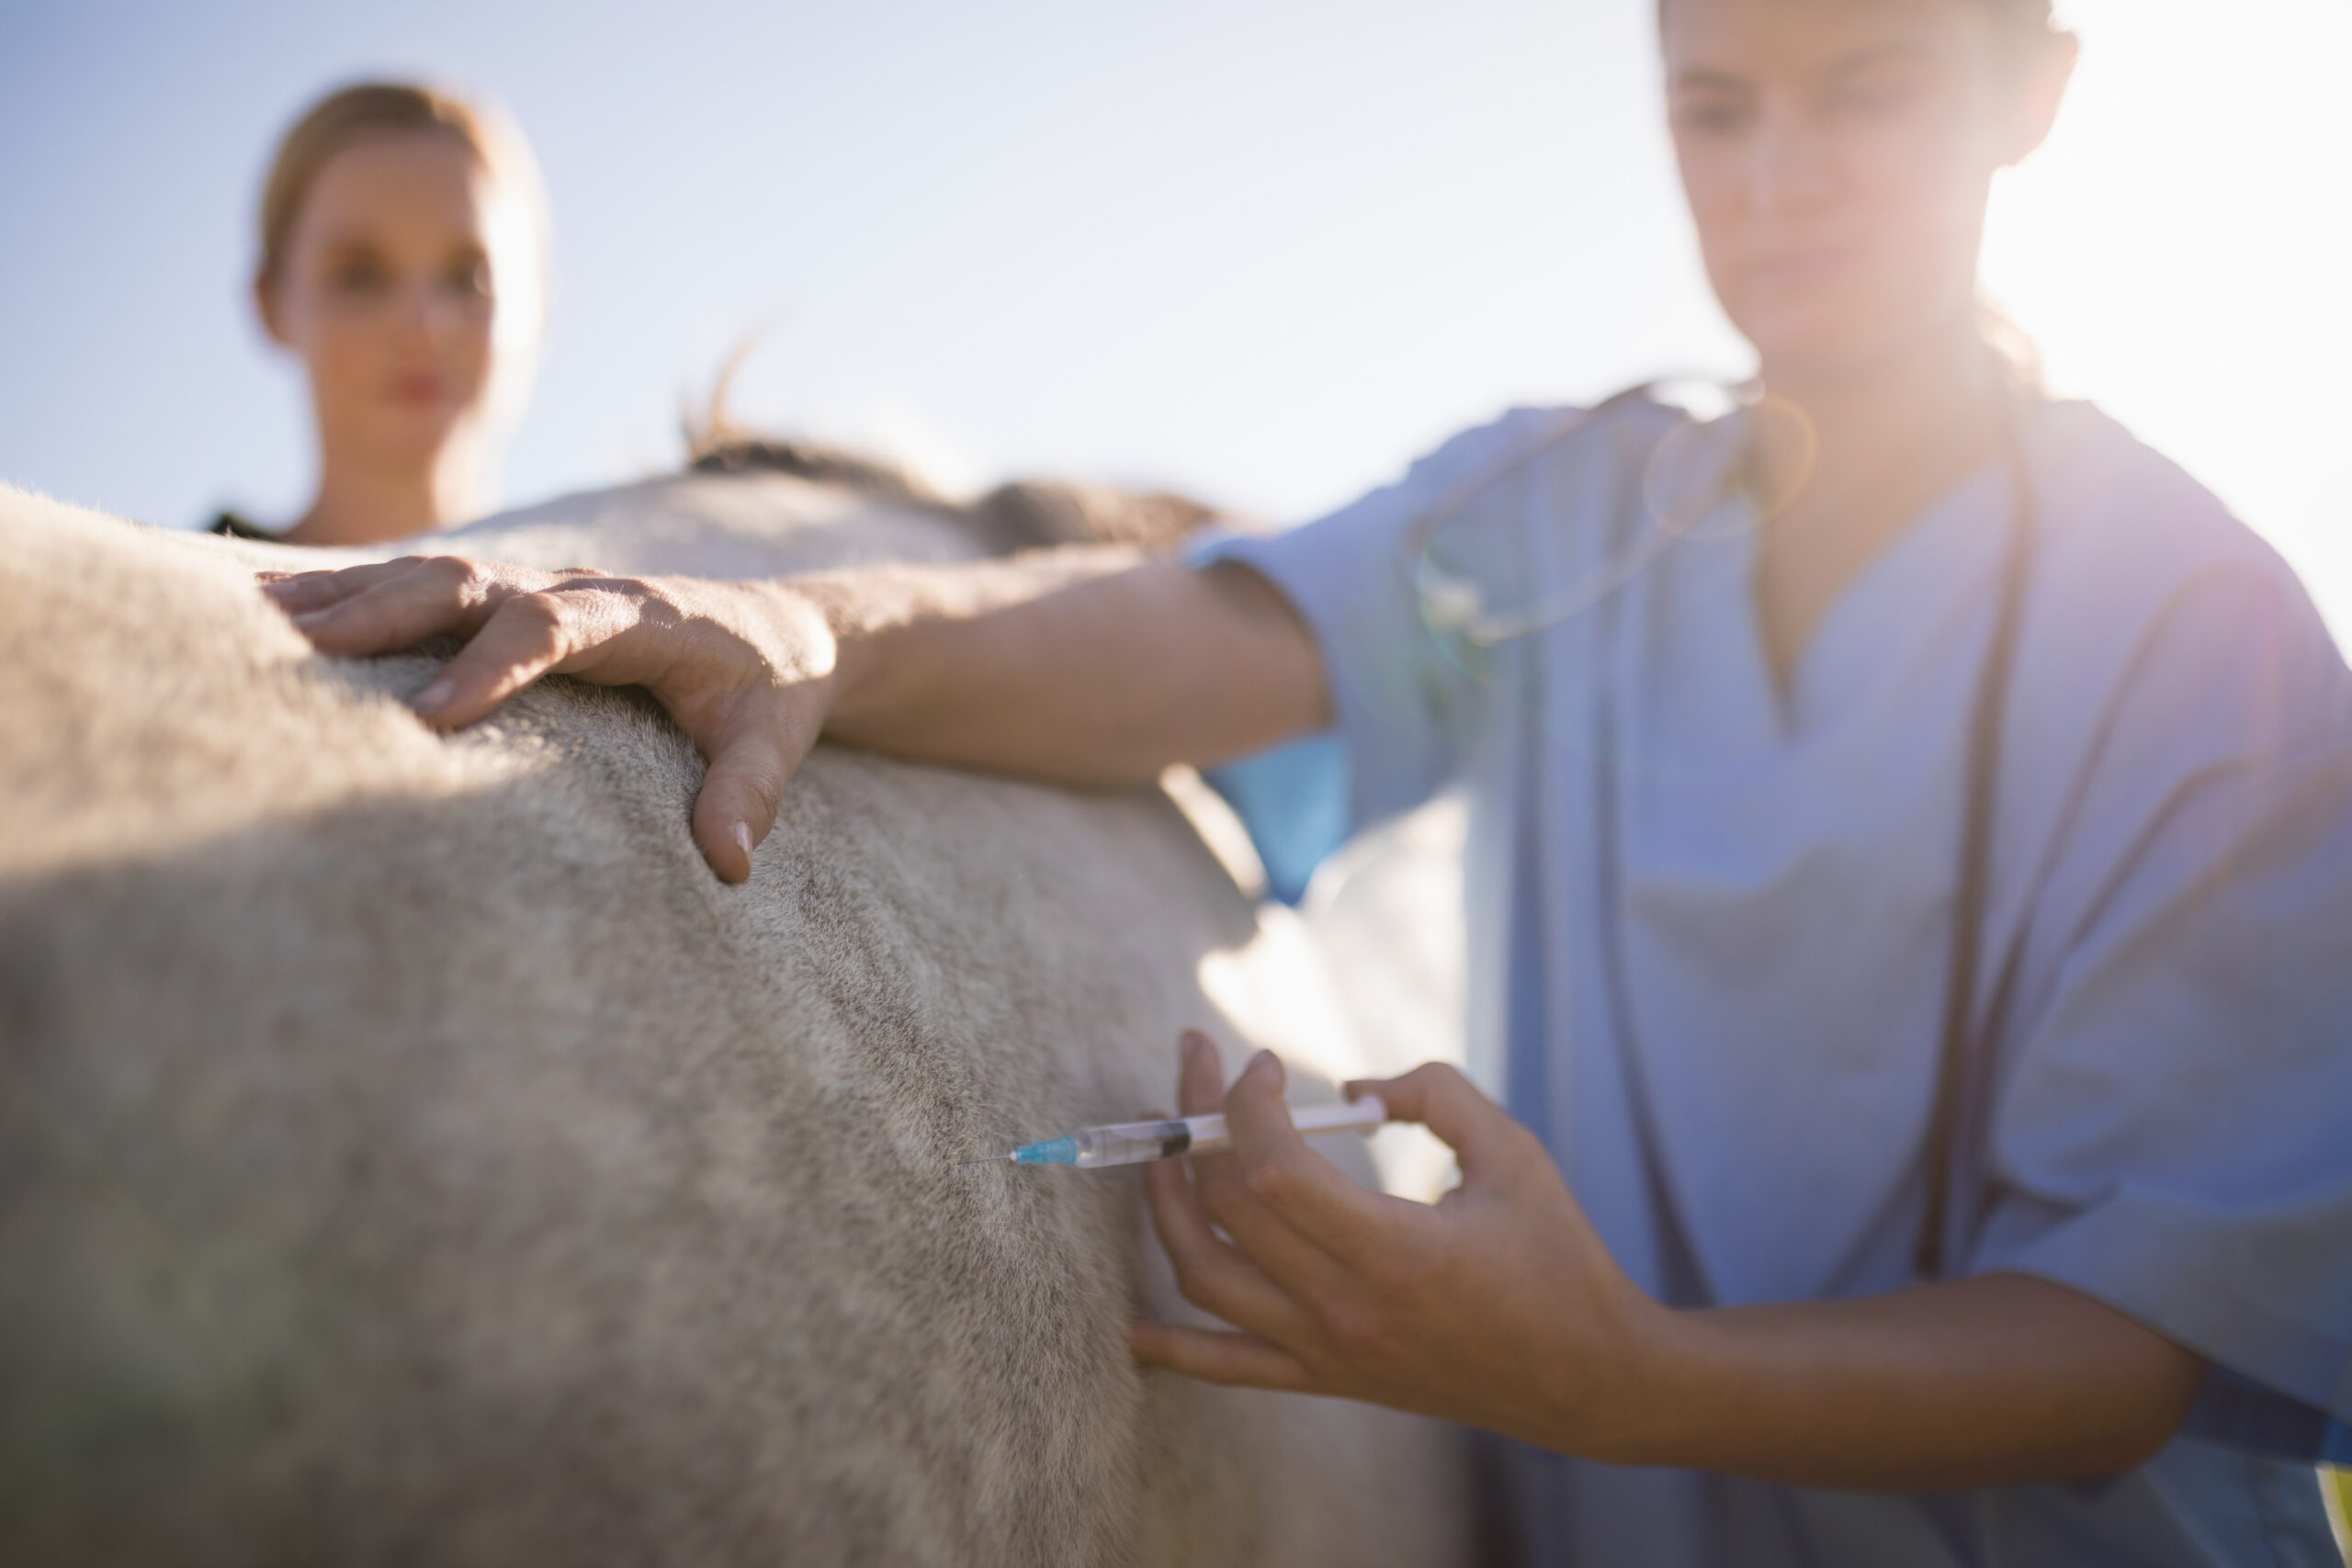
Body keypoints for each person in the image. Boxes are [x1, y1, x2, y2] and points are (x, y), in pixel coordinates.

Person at [257, 0, 2352, 1561]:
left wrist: (1611, 1379)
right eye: (1711, 103)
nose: (1773, 169)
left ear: (2032, 85)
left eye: (1863, 81)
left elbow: (2127, 1336)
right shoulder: (1574, 505)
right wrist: (816, 633)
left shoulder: (2202, 638)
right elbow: (1208, 632)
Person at [213, 81, 548, 547]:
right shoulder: (136, 598)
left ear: (541, 304)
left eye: (467, 278)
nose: (423, 327)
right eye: (359, 276)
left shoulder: (643, 595)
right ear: (271, 305)